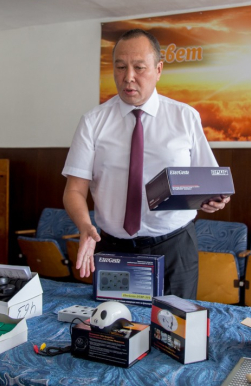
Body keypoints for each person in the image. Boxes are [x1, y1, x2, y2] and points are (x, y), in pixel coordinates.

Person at [62, 28, 230, 299]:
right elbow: (74, 190)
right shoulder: (93, 122)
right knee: (114, 322)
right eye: (120, 67)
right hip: (113, 247)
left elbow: (208, 181)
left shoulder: (185, 117)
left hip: (174, 247)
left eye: (139, 68)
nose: (128, 77)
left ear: (158, 69)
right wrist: (84, 226)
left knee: (174, 323)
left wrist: (213, 199)